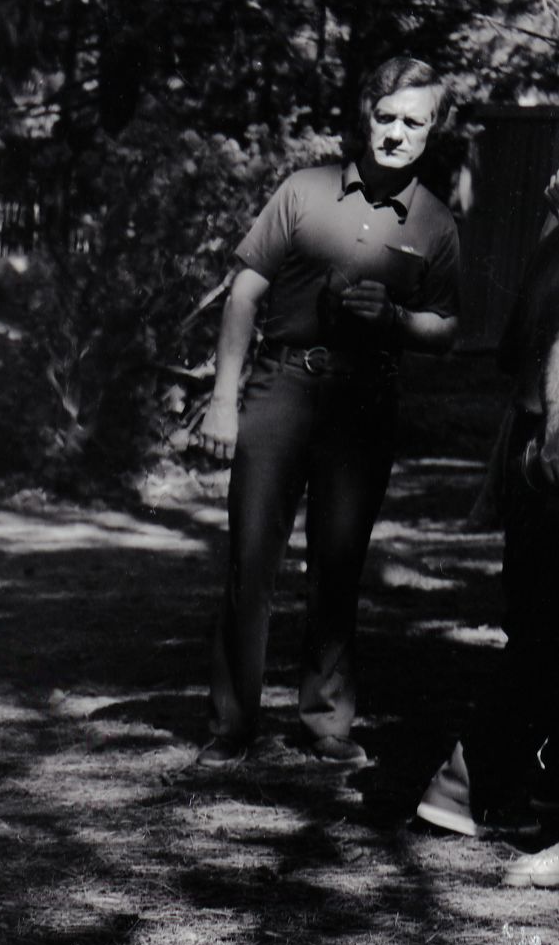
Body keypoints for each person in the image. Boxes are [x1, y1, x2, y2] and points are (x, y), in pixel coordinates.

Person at [194, 56, 461, 764]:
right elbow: (243, 295)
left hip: (363, 401)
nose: (397, 134)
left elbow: (446, 326)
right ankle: (230, 728)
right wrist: (222, 403)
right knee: (251, 562)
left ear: (432, 131)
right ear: (365, 114)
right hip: (279, 389)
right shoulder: (302, 191)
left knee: (338, 566)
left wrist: (396, 318)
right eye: (387, 117)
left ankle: (324, 724)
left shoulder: (435, 221)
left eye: (414, 122)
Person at [416, 168, 559, 841]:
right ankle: (465, 780)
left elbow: (513, 354)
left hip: (533, 451)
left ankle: (496, 786)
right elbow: (525, 362)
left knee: (539, 632)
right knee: (543, 635)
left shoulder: (549, 244)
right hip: (547, 455)